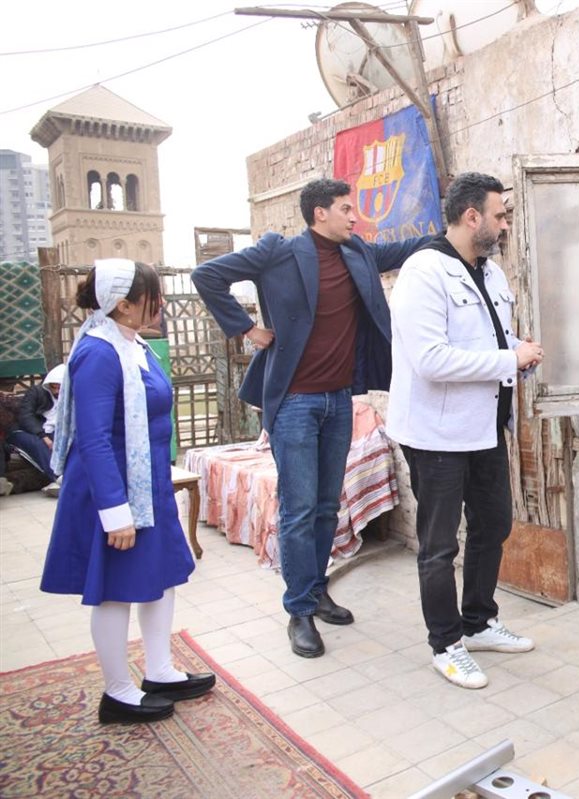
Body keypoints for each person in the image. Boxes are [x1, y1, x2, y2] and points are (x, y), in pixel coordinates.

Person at [193, 178, 431, 659]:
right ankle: (298, 611)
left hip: (338, 401)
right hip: (295, 403)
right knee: (299, 509)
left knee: (325, 507)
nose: (354, 217)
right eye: (346, 209)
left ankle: (317, 590)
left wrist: (452, 234)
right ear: (320, 213)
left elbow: (404, 249)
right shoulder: (278, 252)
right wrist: (248, 329)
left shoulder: (357, 252)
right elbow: (207, 276)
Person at [388, 172, 544, 689]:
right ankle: (446, 643)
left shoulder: (491, 273)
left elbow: (490, 339)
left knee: (493, 524)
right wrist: (507, 359)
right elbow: (431, 359)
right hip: (435, 434)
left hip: (485, 428)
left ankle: (478, 622)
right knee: (438, 546)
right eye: (500, 215)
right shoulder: (423, 272)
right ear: (471, 216)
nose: (505, 225)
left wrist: (519, 352)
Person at [40, 259, 213, 724]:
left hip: (147, 484)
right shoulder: (98, 353)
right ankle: (117, 691)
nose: (161, 303)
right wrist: (115, 513)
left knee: (160, 576)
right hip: (112, 490)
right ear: (123, 304)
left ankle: (160, 671)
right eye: (153, 296)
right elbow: (94, 439)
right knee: (115, 590)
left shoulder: (135, 345)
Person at [6, 363, 66, 495]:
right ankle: (59, 478)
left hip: (50, 432)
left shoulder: (69, 398)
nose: (56, 391)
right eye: (53, 387)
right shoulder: (36, 392)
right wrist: (43, 436)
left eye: (59, 387)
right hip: (25, 432)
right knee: (39, 445)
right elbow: (25, 417)